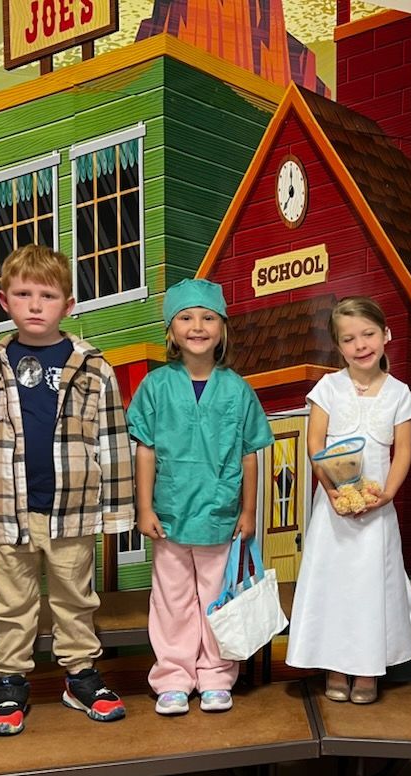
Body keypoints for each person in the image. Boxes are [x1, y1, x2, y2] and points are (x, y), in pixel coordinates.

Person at [0, 245, 134, 736]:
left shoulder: (93, 367)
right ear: (4, 301)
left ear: (68, 305)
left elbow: (113, 441)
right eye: (23, 294)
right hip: (5, 511)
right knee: (11, 602)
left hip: (71, 509)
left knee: (76, 597)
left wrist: (118, 513)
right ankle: (11, 679)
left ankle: (80, 676)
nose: (35, 305)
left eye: (48, 296)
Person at [127, 278, 273, 716]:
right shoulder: (155, 386)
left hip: (220, 517)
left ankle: (215, 676)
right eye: (186, 317)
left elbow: (249, 454)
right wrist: (144, 507)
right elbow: (145, 450)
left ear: (223, 329)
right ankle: (173, 677)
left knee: (216, 600)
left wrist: (249, 510)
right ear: (170, 332)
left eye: (208, 317)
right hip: (170, 515)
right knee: (171, 601)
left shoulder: (237, 390)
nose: (197, 326)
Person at [286, 297, 411, 704]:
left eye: (368, 334)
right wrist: (331, 490)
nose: (360, 345)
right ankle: (334, 666)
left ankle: (368, 669)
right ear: (338, 346)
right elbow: (315, 443)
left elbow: (403, 451)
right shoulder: (328, 388)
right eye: (349, 339)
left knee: (371, 586)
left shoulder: (399, 393)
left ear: (385, 335)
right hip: (333, 508)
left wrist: (388, 494)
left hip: (376, 509)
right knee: (334, 584)